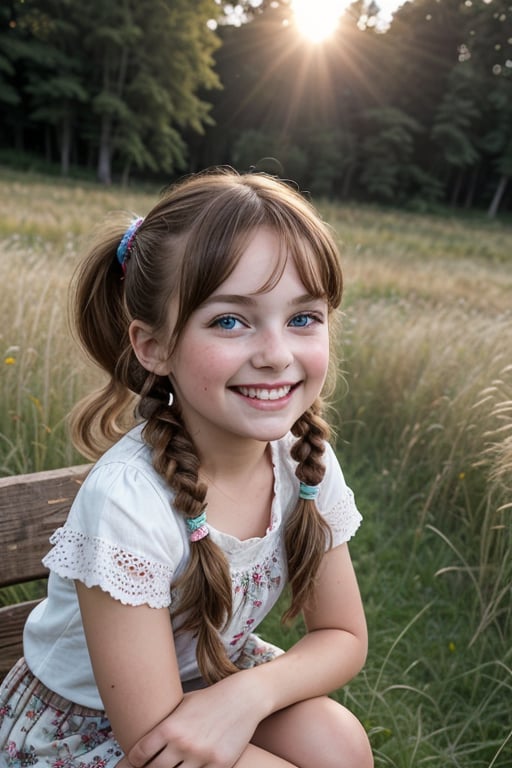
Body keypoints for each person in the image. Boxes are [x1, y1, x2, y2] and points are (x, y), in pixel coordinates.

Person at [0, 168, 373, 768]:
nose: (276, 354)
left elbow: (344, 636)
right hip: (97, 727)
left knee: (340, 742)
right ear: (154, 346)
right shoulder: (130, 499)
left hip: (211, 680)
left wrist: (247, 694)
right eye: (230, 320)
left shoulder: (305, 463)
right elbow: (151, 742)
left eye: (303, 318)